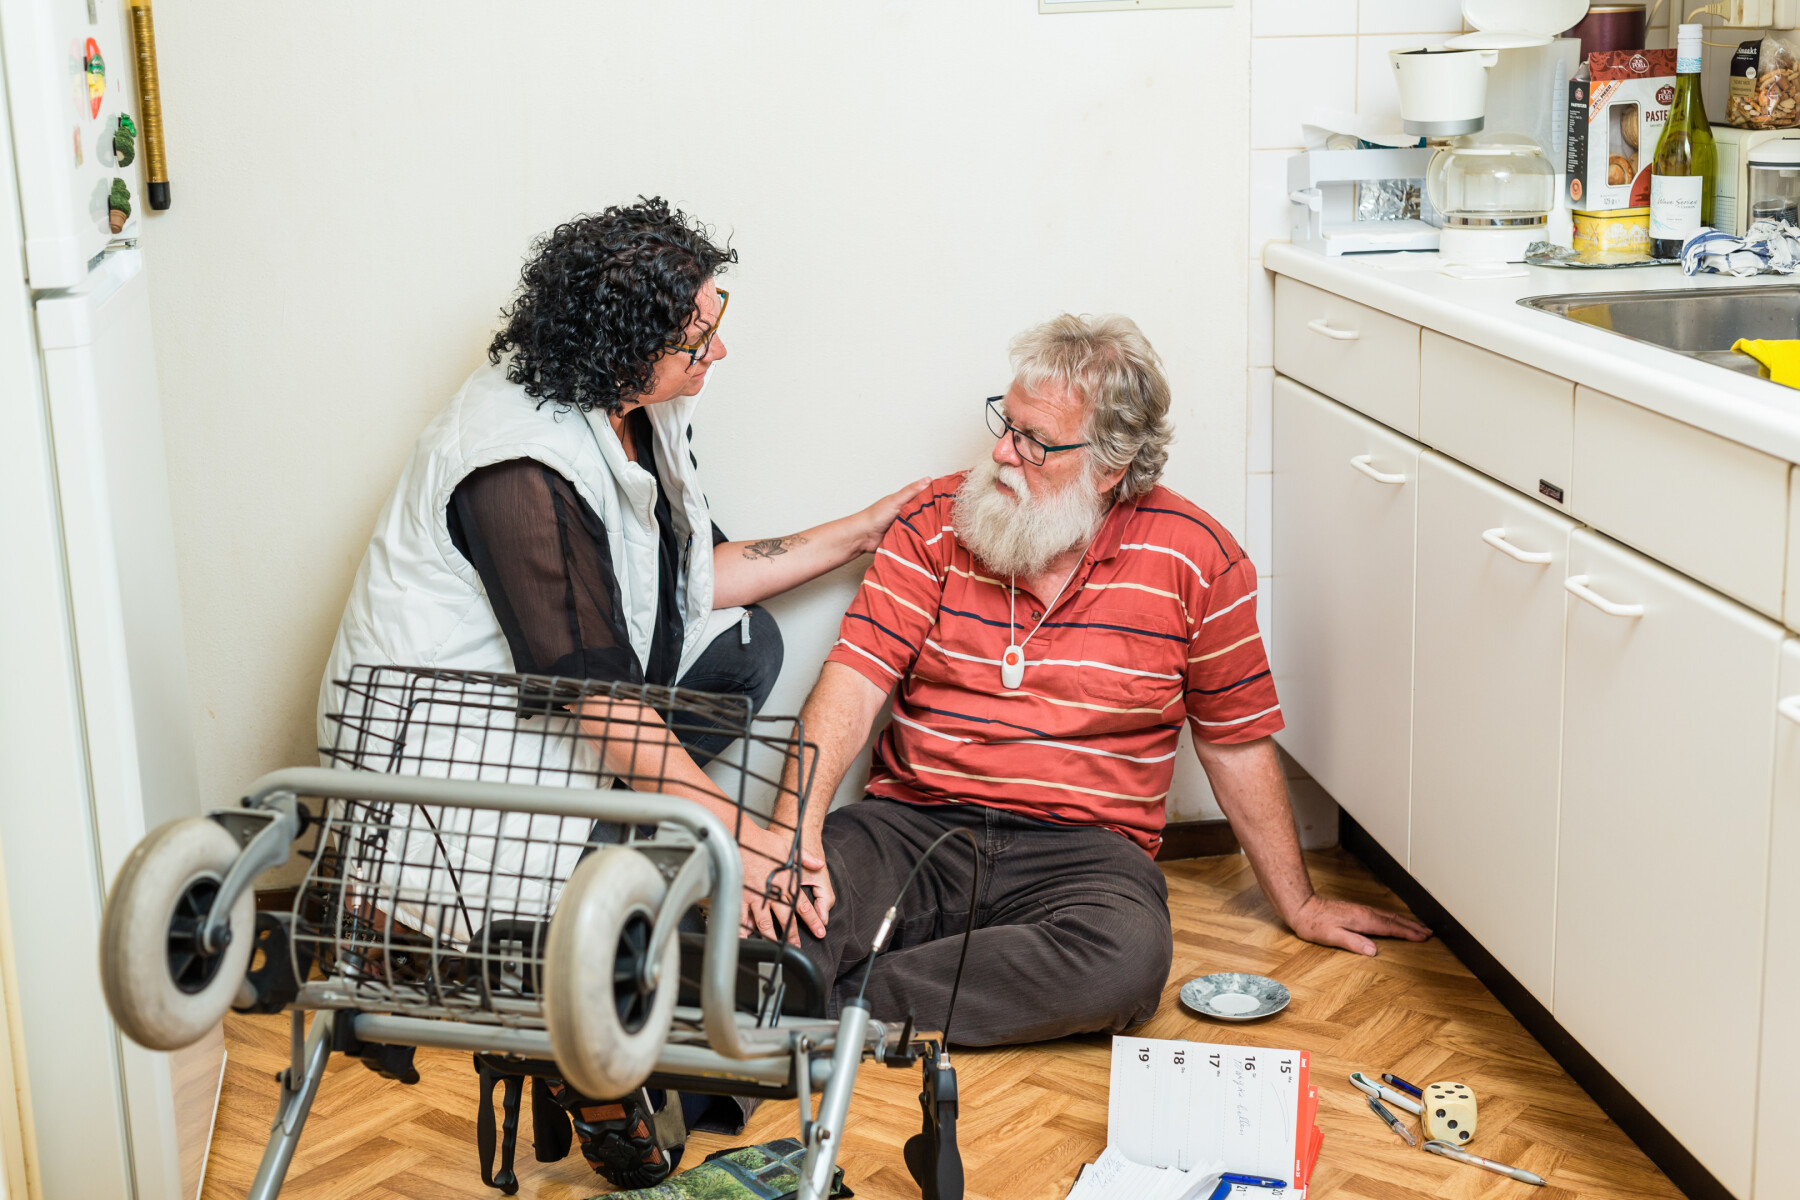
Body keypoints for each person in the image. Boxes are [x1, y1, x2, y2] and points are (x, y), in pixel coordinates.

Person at [316, 197, 926, 1185]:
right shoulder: (516, 464)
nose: (719, 351)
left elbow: (691, 581)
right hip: (446, 775)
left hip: (553, 708)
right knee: (668, 801)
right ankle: (495, 965)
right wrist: (745, 842)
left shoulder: (635, 407)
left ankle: (620, 898)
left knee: (745, 649)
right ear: (625, 346)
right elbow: (598, 706)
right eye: (697, 338)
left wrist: (863, 528)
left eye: (716, 323)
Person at [750, 313, 1430, 1046]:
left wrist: (1298, 901)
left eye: (1035, 441)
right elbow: (854, 681)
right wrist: (792, 833)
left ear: (1110, 467)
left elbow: (1234, 742)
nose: (1002, 453)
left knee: (1125, 961)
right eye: (1007, 424)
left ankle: (822, 1013)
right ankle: (773, 1022)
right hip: (913, 826)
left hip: (1084, 854)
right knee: (770, 912)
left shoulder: (1199, 561)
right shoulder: (936, 520)